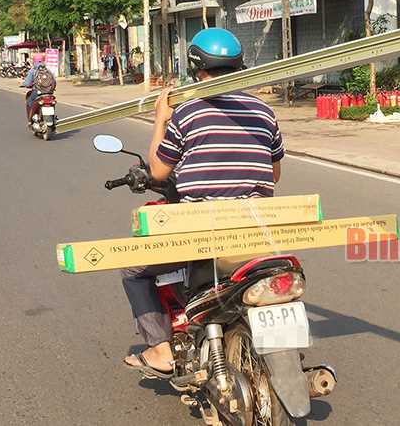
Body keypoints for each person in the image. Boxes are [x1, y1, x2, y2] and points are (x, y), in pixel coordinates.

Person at [122, 28, 284, 377]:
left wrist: (160, 119)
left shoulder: (188, 112)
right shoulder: (264, 111)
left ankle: (160, 351)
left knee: (133, 270)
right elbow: (273, 175)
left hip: (206, 232)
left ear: (196, 67)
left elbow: (159, 171)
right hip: (256, 231)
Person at [21, 53, 52, 120]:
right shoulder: (48, 70)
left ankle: (31, 119)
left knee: (29, 101)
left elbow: (27, 83)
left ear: (34, 61)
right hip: (49, 92)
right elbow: (54, 81)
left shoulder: (33, 71)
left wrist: (24, 84)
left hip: (38, 92)